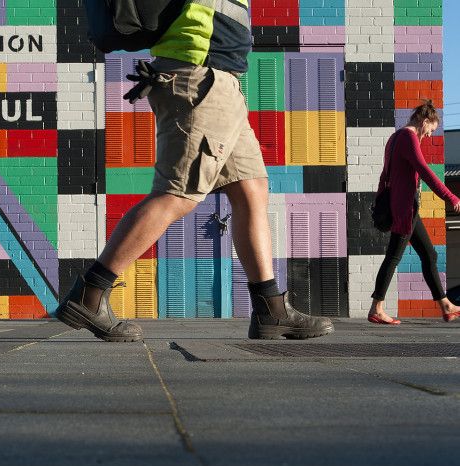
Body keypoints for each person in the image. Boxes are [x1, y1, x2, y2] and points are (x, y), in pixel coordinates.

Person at [54, 0, 334, 341]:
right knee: (177, 194)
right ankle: (90, 294)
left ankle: (271, 310)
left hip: (221, 82)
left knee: (251, 189)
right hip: (200, 78)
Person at [368, 101, 460, 325]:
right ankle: (376, 308)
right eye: (431, 130)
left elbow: (384, 176)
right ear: (424, 121)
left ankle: (446, 304)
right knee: (393, 256)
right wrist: (450, 196)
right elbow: (425, 171)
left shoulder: (394, 138)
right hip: (404, 209)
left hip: (404, 207)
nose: (429, 136)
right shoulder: (409, 138)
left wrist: (383, 200)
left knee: (429, 254)